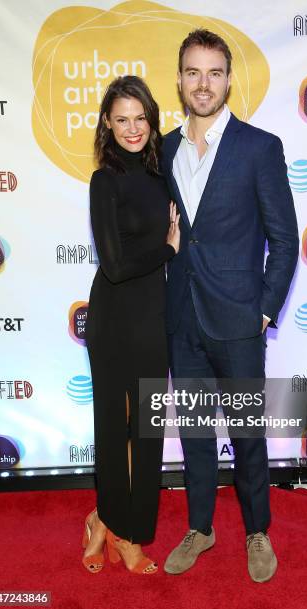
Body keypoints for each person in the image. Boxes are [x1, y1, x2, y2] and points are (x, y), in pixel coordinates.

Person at [162, 29, 299, 582]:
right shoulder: (163, 148)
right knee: (194, 432)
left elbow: (285, 239)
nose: (203, 83)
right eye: (193, 72)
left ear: (228, 80)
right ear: (179, 79)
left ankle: (257, 531)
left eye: (214, 73)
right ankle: (201, 526)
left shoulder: (258, 147)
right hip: (182, 319)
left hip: (239, 320)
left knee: (247, 435)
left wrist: (263, 310)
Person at [83, 75, 180, 575]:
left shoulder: (165, 176)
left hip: (153, 319)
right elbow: (115, 266)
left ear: (151, 117)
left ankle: (117, 525)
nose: (132, 128)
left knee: (146, 433)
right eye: (121, 119)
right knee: (113, 429)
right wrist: (166, 247)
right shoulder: (105, 181)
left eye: (139, 117)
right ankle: (118, 531)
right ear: (107, 123)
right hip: (114, 320)